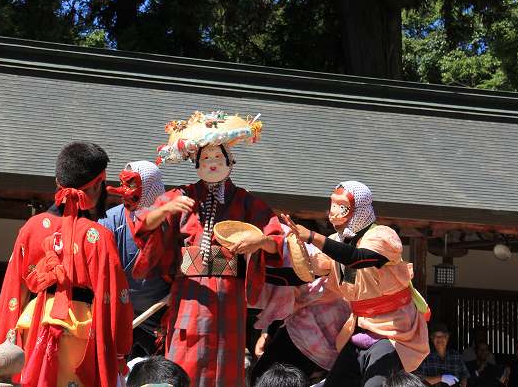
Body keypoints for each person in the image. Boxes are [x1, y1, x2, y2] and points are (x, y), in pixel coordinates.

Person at [133, 111, 285, 387]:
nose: (212, 163)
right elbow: (143, 223)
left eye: (218, 158)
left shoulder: (246, 201)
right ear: (196, 163)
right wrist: (165, 209)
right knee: (185, 352)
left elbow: (276, 237)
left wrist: (260, 242)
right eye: (205, 158)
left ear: (230, 161)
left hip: (229, 293)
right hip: (191, 292)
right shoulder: (181, 196)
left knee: (227, 358)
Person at [0, 141, 134, 386]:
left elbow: (13, 291)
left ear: (58, 182)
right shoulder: (98, 236)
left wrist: (7, 337)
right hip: (81, 333)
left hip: (33, 329)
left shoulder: (32, 228)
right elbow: (115, 298)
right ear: (98, 185)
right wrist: (119, 350)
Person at [282, 181, 430, 387]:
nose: (333, 214)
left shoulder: (382, 236)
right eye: (332, 206)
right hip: (359, 327)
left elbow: (357, 258)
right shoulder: (336, 241)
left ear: (358, 209)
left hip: (393, 330)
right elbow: (311, 270)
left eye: (342, 207)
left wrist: (312, 236)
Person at [249, 226, 351, 385]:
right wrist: (268, 332)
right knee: (263, 377)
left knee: (263, 378)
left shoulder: (347, 271)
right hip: (309, 341)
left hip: (312, 341)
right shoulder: (313, 271)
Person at [100, 161, 170, 357]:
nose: (124, 191)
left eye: (131, 184)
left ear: (150, 186)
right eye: (124, 184)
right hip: (118, 309)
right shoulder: (110, 220)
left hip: (160, 314)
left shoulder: (173, 220)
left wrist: (179, 290)